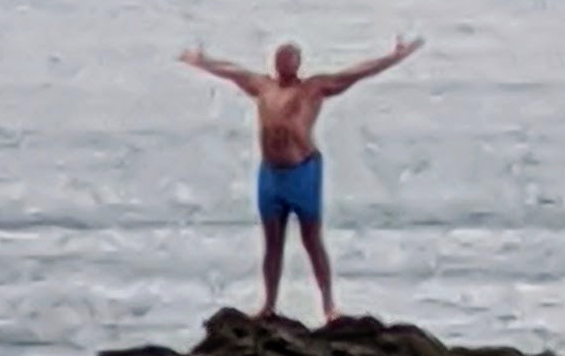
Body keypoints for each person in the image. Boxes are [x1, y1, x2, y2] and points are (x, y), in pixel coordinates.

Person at [179, 32, 423, 319]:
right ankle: (268, 304)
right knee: (272, 243)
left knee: (311, 239)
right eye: (279, 58)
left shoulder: (313, 88)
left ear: (297, 63)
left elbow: (354, 74)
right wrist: (202, 61)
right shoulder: (262, 86)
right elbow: (232, 72)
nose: (283, 63)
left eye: (289, 59)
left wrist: (394, 57)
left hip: (302, 172)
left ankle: (329, 305)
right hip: (270, 175)